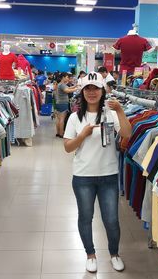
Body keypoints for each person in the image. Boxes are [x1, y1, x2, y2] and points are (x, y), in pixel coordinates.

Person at [63, 72, 132, 273]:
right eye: (88, 89)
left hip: (109, 175)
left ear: (103, 91)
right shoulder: (75, 117)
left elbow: (127, 134)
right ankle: (90, 254)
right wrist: (83, 135)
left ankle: (114, 253)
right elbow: (68, 147)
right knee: (85, 216)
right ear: (82, 92)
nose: (92, 92)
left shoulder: (110, 114)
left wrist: (120, 111)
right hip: (83, 176)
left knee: (111, 219)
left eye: (96, 88)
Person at [55, 72, 77, 137]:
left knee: (58, 119)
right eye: (67, 77)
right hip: (63, 103)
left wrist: (75, 86)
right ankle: (61, 133)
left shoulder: (60, 84)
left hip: (59, 103)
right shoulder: (62, 84)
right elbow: (67, 90)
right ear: (63, 77)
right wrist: (76, 89)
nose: (68, 78)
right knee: (62, 119)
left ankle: (58, 132)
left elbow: (68, 88)